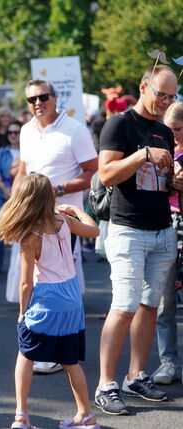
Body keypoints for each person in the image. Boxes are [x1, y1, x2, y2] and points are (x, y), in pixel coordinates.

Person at [94, 65, 179, 416]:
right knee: (124, 305)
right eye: (161, 94)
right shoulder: (119, 124)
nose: (165, 102)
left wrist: (175, 183)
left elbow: (162, 181)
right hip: (128, 229)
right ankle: (105, 384)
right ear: (144, 87)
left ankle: (136, 375)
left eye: (172, 97)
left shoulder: (164, 130)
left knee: (149, 305)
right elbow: (106, 173)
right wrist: (143, 154)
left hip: (162, 228)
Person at [0, 173, 100, 429]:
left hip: (47, 299)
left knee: (26, 355)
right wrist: (76, 209)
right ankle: (86, 415)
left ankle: (21, 415)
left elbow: (26, 282)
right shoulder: (64, 220)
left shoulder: (30, 236)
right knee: (70, 361)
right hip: (72, 298)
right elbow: (94, 230)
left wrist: (21, 312)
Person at [15, 79, 98, 373]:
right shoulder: (26, 130)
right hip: (30, 218)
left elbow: (93, 172)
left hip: (62, 221)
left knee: (59, 280)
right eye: (31, 99)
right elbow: (23, 173)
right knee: (35, 280)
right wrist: (14, 206)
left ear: (55, 97)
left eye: (43, 96)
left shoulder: (75, 129)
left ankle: (59, 348)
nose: (38, 102)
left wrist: (58, 190)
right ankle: (43, 345)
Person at [152, 101, 183, 385]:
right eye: (169, 129)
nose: (173, 135)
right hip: (167, 225)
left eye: (177, 129)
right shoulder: (161, 148)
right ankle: (168, 361)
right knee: (165, 301)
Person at [0, 121, 22, 274]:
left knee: (24, 231)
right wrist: (4, 188)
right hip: (3, 194)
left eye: (16, 132)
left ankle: (23, 266)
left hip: (22, 195)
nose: (13, 135)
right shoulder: (2, 151)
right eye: (10, 132)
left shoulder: (28, 150)